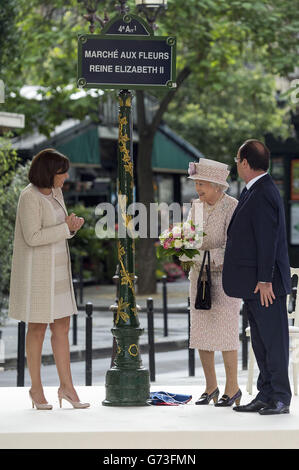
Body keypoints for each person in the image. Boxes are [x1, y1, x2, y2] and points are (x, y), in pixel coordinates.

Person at [8, 148, 90, 410]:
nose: (66, 176)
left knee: (62, 328)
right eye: (61, 172)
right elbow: (32, 237)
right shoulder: (28, 197)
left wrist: (71, 227)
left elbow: (59, 230)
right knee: (37, 329)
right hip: (38, 275)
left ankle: (67, 387)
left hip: (59, 273)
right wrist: (66, 228)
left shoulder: (56, 192)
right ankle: (36, 389)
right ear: (48, 172)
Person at [223, 139, 292, 415]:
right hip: (255, 284)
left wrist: (265, 279)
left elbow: (268, 240)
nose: (236, 163)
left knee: (274, 341)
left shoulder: (263, 192)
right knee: (261, 341)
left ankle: (280, 397)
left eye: (238, 159)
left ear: (246, 163)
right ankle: (265, 393)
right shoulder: (254, 189)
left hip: (267, 285)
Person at [185, 159, 242, 407]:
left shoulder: (232, 207)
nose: (198, 188)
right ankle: (210, 387)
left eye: (202, 184)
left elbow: (233, 248)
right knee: (201, 333)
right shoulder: (195, 206)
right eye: (196, 183)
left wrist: (202, 255)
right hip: (198, 277)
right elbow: (188, 236)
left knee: (227, 332)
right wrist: (182, 248)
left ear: (218, 186)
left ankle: (233, 387)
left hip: (224, 279)